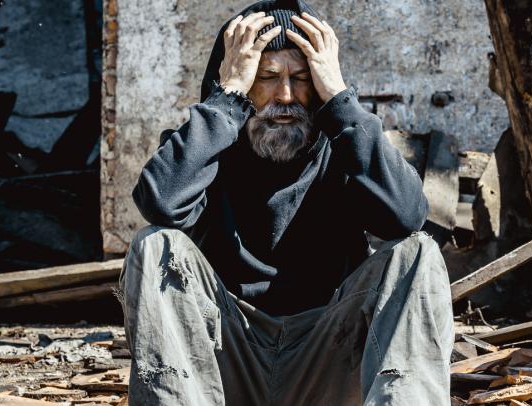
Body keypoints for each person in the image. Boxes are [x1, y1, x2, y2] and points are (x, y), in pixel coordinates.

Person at [118, 0, 453, 404]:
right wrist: (225, 102)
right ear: (237, 80)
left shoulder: (344, 146)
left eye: (301, 77)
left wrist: (341, 101)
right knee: (156, 244)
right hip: (225, 368)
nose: (286, 95)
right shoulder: (205, 147)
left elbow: (406, 216)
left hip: (326, 361)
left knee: (417, 252)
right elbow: (160, 204)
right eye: (267, 77)